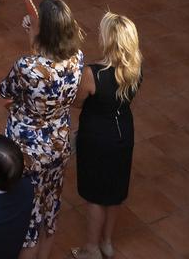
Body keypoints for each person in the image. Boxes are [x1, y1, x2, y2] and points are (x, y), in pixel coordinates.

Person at [1, 0, 90, 259]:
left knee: (27, 218)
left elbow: (5, 90)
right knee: (48, 209)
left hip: (27, 151)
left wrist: (32, 43)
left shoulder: (27, 66)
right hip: (58, 143)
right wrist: (36, 38)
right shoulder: (77, 58)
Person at [75, 13, 142, 259]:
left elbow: (77, 102)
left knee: (95, 194)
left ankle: (91, 248)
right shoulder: (136, 67)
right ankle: (107, 242)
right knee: (114, 192)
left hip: (96, 136)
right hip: (124, 132)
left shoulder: (93, 73)